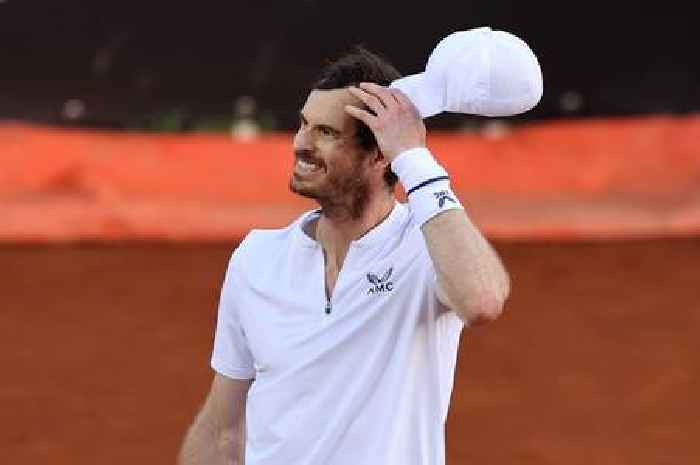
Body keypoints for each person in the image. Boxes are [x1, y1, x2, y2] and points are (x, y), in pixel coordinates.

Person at [179, 47, 511, 465]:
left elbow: (482, 300)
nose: (301, 143)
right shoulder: (256, 258)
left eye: (326, 133)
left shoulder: (427, 245)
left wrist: (416, 158)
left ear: (379, 154)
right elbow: (221, 426)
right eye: (303, 124)